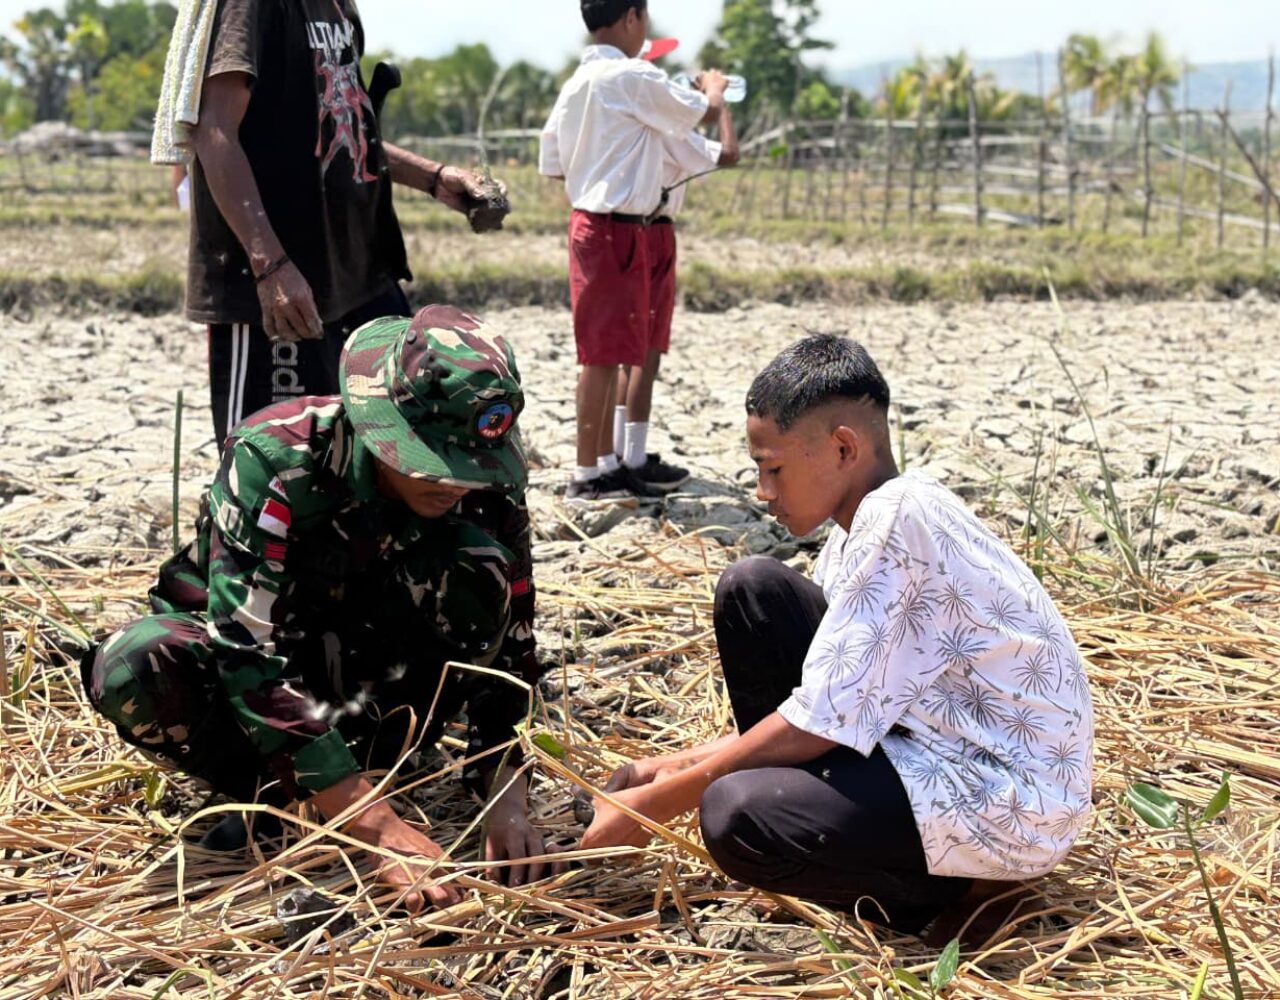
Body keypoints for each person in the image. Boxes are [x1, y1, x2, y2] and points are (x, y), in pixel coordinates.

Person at [582, 335, 1094, 937]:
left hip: (1007, 802)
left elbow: (815, 721)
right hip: (930, 750)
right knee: (754, 593)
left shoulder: (899, 519)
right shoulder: (855, 533)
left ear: (843, 447)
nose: (763, 492)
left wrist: (658, 803)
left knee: (735, 813)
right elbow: (829, 700)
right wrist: (664, 768)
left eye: (773, 468)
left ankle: (965, 893)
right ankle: (851, 850)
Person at [82, 305, 559, 911]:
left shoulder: (488, 490)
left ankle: (353, 772)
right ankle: (277, 793)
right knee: (132, 665)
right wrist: (380, 830)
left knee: (478, 564)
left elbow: (511, 657)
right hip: (264, 688)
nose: (452, 484)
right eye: (430, 460)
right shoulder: (277, 461)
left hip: (380, 691)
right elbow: (244, 651)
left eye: (468, 467)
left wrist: (506, 792)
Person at [187, 0, 498, 449]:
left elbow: (343, 128)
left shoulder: (338, 6)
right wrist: (270, 266)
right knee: (273, 460)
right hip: (278, 284)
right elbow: (214, 130)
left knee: (388, 437)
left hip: (353, 275)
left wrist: (434, 178)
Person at [538, 0, 736, 503]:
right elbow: (704, 112)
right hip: (615, 226)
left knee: (612, 351)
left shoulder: (577, 84)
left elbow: (553, 163)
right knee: (603, 355)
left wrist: (604, 168)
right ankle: (587, 474)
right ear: (631, 18)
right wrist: (715, 90)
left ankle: (605, 463)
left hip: (596, 220)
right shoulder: (629, 76)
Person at [610, 69, 739, 492]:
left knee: (623, 350)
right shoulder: (670, 130)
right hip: (654, 233)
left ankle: (615, 451)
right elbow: (729, 154)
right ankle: (635, 457)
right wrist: (718, 101)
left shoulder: (631, 121)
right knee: (646, 350)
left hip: (623, 228)